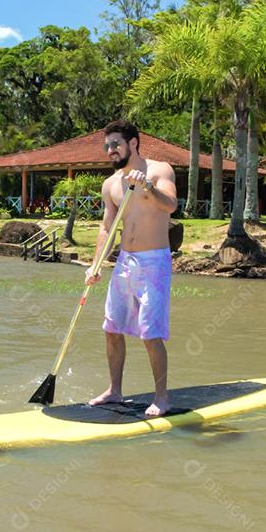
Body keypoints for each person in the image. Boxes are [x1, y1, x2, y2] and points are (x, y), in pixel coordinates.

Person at [85, 119, 178, 416]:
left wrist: (147, 187)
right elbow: (107, 228)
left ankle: (161, 397)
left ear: (133, 143)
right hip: (125, 260)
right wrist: (95, 264)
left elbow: (171, 205)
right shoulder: (110, 184)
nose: (110, 150)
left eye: (116, 144)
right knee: (111, 327)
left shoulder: (160, 170)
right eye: (107, 146)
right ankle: (115, 390)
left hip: (154, 261)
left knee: (151, 333)